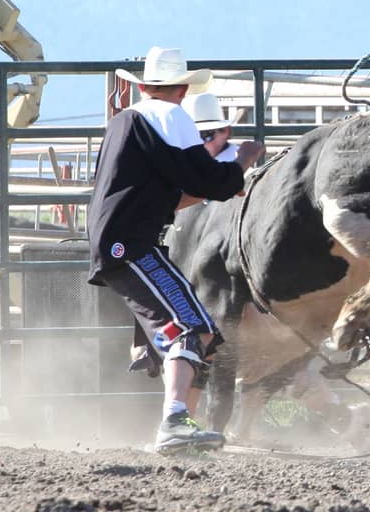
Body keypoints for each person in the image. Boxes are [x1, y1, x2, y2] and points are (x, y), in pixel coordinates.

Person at [88, 47, 263, 453]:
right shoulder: (169, 117)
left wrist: (220, 181)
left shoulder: (125, 123)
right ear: (182, 89)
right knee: (192, 327)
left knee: (195, 327)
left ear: (145, 85)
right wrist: (243, 162)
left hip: (120, 241)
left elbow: (169, 192)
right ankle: (175, 421)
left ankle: (181, 421)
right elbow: (213, 182)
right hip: (132, 243)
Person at [183, 91, 239, 162]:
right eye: (191, 136)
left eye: (205, 135)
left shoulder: (239, 160)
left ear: (225, 132)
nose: (199, 142)